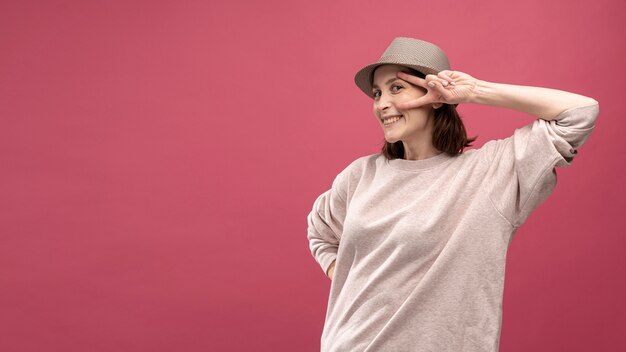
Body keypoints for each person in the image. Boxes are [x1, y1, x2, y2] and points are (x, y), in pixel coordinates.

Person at [306, 37, 600, 351]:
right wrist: (347, 279)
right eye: (377, 93)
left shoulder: (489, 173)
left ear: (435, 96)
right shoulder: (360, 176)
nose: (381, 104)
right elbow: (320, 232)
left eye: (396, 88)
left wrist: (474, 91)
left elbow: (579, 113)